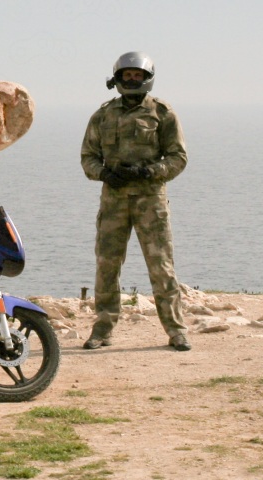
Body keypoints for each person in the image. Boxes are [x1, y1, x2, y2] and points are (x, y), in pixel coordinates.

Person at [79, 51, 191, 351]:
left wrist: (149, 171)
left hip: (150, 202)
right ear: (118, 78)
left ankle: (176, 330)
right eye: (127, 75)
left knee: (161, 267)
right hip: (113, 202)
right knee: (107, 267)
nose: (131, 80)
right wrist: (103, 174)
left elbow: (178, 158)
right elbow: (88, 157)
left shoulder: (162, 113)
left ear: (146, 78)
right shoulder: (103, 115)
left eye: (136, 75)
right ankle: (102, 330)